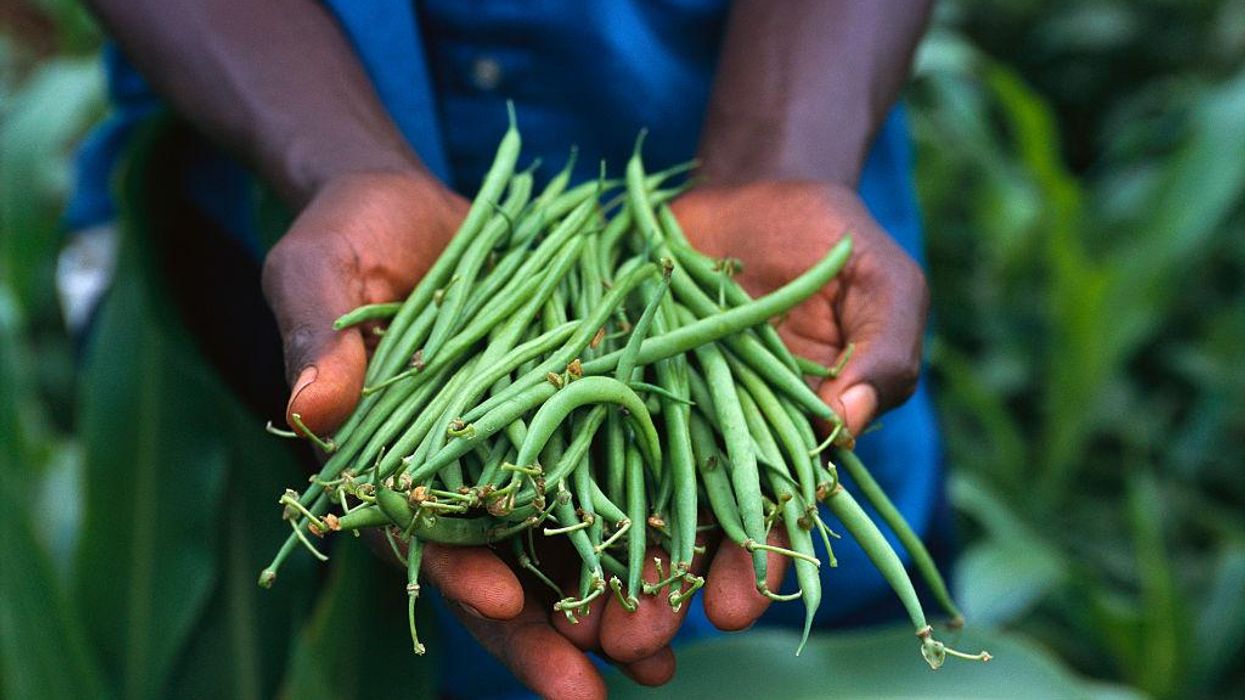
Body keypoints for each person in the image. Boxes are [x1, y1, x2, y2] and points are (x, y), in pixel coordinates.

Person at [72, 1, 943, 698]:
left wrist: (784, 160)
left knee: (788, 549)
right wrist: (341, 163)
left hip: (766, 125)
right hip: (247, 181)